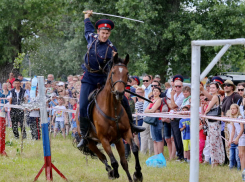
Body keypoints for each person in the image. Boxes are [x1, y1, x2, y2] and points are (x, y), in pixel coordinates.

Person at [77, 10, 145, 148]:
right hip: (89, 78)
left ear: (109, 34)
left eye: (107, 33)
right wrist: (87, 16)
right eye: (103, 33)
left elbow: (116, 66)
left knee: (123, 99)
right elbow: (87, 26)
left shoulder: (111, 48)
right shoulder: (91, 37)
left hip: (103, 78)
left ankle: (132, 125)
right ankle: (84, 136)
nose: (105, 35)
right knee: (83, 105)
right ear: (98, 31)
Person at [204, 82, 225, 167]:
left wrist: (204, 116)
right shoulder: (217, 97)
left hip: (213, 123)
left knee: (213, 142)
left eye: (213, 88)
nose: (211, 89)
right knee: (216, 142)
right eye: (210, 88)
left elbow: (208, 109)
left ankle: (214, 162)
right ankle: (217, 161)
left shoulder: (216, 97)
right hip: (215, 122)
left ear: (217, 89)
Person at [168, 75, 185, 161]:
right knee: (174, 137)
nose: (177, 88)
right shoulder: (175, 95)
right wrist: (172, 103)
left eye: (179, 86)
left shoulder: (181, 96)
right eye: (176, 86)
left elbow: (173, 105)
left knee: (178, 137)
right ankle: (179, 155)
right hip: (173, 118)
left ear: (182, 87)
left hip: (179, 119)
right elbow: (170, 105)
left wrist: (171, 96)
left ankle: (181, 156)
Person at [144, 87, 163, 155]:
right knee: (154, 140)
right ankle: (156, 155)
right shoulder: (152, 100)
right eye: (154, 91)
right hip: (152, 120)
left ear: (159, 93)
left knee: (158, 139)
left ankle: (160, 155)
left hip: (157, 120)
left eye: (157, 91)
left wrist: (152, 110)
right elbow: (146, 110)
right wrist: (152, 111)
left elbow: (152, 109)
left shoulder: (159, 100)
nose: (155, 92)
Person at [141, 75, 154, 155]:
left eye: (147, 80)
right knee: (149, 135)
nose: (145, 82)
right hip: (145, 114)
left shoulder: (151, 89)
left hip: (149, 114)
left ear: (150, 81)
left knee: (144, 134)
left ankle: (143, 153)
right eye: (144, 81)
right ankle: (150, 152)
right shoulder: (146, 89)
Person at [229, 104, 245, 170]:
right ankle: (242, 169)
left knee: (242, 154)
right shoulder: (233, 118)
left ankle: (243, 170)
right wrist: (231, 139)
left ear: (237, 109)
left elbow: (242, 129)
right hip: (239, 137)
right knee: (240, 155)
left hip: (242, 137)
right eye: (231, 109)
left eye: (234, 108)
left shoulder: (240, 117)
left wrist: (237, 138)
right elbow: (233, 130)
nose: (232, 110)